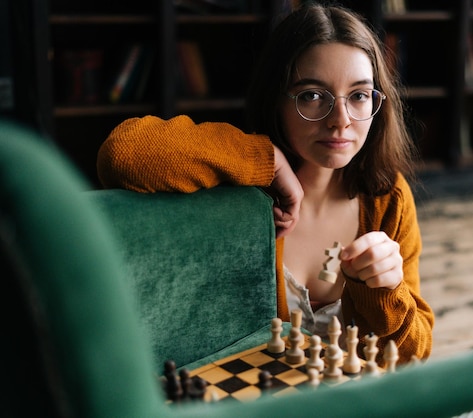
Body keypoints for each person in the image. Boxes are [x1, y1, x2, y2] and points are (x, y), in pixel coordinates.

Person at [97, 3, 434, 364]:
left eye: (359, 95)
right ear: (276, 98)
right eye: (312, 95)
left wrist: (387, 291)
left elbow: (414, 354)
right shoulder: (239, 177)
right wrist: (266, 160)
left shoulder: (389, 197)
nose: (340, 121)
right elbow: (121, 154)